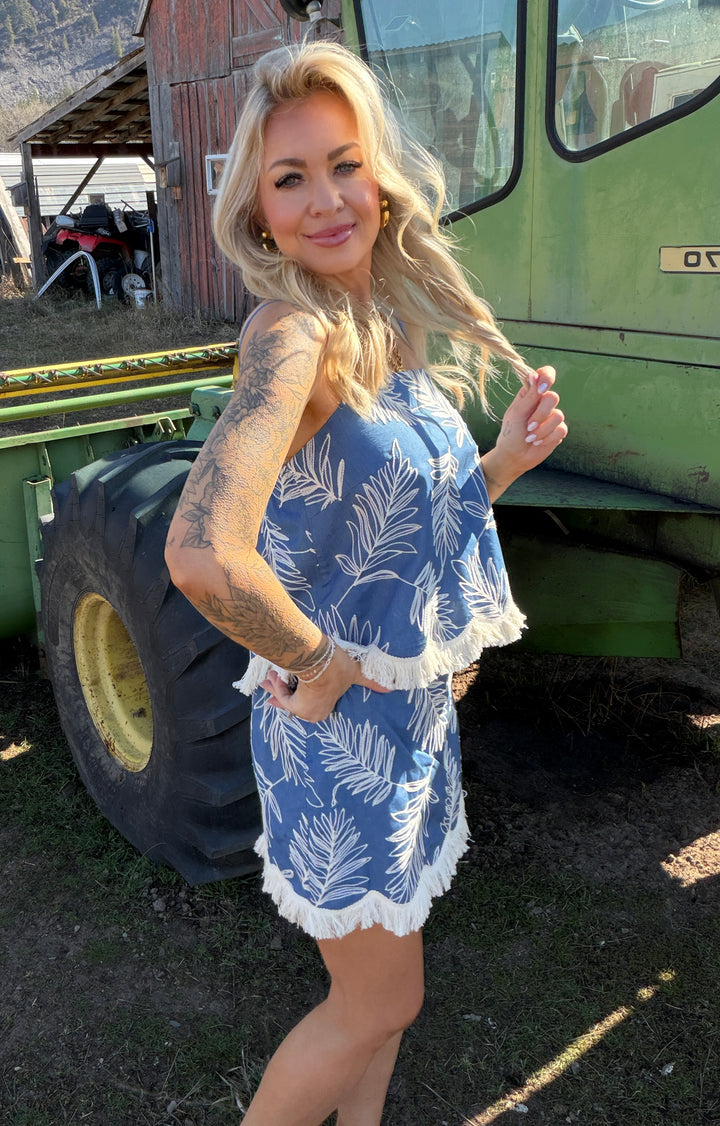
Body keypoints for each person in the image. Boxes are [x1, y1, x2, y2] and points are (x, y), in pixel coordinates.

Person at [165, 40, 566, 1126]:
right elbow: (203, 551)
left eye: (344, 164)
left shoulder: (379, 322)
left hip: (411, 723)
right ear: (256, 207)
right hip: (337, 733)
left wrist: (502, 466)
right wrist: (322, 661)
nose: (326, 199)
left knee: (382, 1008)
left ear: (381, 174)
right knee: (375, 1002)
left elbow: (393, 527)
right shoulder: (292, 333)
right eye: (290, 177)